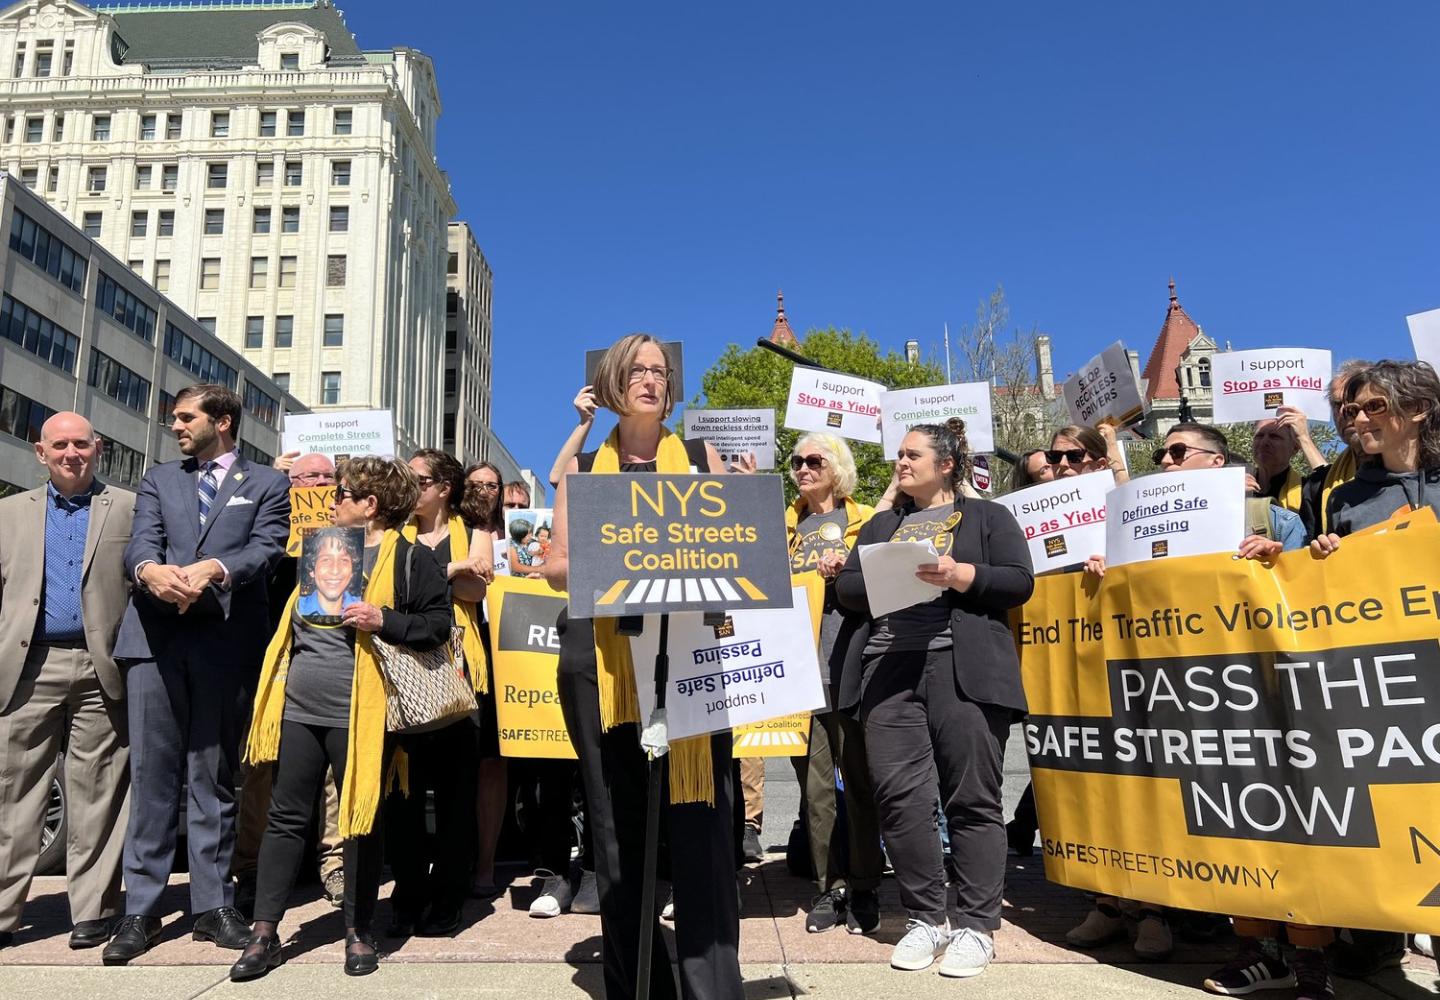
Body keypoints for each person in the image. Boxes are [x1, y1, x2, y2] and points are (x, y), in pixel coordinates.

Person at [543, 333, 743, 1000]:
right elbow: (554, 569)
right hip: (601, 665)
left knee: (702, 822)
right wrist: (635, 556)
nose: (651, 380)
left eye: (660, 371)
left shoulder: (700, 457)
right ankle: (640, 985)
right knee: (618, 830)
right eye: (637, 371)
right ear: (612, 383)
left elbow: (733, 547)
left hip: (690, 656)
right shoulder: (583, 472)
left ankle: (710, 983)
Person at [229, 457, 453, 981]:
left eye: (343, 493)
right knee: (286, 818)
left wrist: (385, 620)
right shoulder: (317, 549)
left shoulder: (409, 560)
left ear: (369, 505)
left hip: (362, 713)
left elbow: (438, 625)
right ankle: (264, 932)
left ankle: (358, 930)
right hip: (299, 707)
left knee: (359, 821)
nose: (332, 501)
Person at [833, 419, 1034, 978]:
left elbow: (1019, 581)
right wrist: (884, 576)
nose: (900, 463)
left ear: (945, 464)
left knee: (971, 798)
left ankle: (976, 925)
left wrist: (959, 573)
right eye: (898, 454)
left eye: (911, 454)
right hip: (888, 670)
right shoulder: (881, 525)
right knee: (899, 798)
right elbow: (847, 589)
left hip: (961, 668)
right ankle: (926, 918)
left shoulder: (989, 517)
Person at [105, 384, 290, 965]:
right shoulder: (160, 479)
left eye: (186, 417)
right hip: (155, 638)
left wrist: (212, 569)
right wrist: (150, 572)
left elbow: (267, 548)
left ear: (224, 420)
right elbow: (142, 542)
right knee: (152, 774)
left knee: (213, 774)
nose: (177, 426)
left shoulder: (268, 483)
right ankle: (140, 909)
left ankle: (213, 904)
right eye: (175, 419)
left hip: (226, 643)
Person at [0, 413, 135, 952]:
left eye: (81, 443)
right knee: (12, 793)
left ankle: (93, 911)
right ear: (41, 453)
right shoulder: (8, 513)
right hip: (26, 667)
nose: (71, 453)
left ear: (97, 449)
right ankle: (5, 912)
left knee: (97, 792)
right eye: (61, 445)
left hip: (101, 665)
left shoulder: (127, 506)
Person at [234, 453, 347, 914]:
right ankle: (251, 865)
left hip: (323, 658)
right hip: (266, 657)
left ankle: (334, 861)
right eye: (308, 476)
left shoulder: (344, 536)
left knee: (328, 774)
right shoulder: (266, 520)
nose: (318, 483)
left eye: (326, 477)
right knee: (259, 764)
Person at [384, 449, 489, 937]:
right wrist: (446, 570)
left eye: (418, 480)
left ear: (444, 487)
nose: (409, 487)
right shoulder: (394, 531)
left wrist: (427, 573)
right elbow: (388, 593)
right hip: (401, 675)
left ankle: (448, 895)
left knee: (454, 793)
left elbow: (478, 587)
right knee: (403, 792)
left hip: (457, 675)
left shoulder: (475, 531)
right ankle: (408, 893)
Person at [783, 432, 885, 935]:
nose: (803, 468)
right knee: (816, 792)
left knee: (861, 786)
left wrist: (850, 569)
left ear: (838, 467)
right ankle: (829, 886)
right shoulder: (783, 527)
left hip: (852, 670)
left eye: (814, 460)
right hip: (796, 676)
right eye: (797, 461)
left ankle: (866, 884)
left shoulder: (866, 521)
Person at [460, 461, 510, 897]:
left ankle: (488, 862)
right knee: (467, 760)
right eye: (476, 484)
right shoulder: (460, 530)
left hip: (514, 650)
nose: (485, 491)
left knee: (495, 762)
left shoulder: (522, 530)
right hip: (468, 647)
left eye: (492, 484)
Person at [1297, 362, 1367, 539]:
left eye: (1353, 400)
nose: (1345, 411)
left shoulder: (1416, 473)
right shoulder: (1318, 488)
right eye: (1337, 404)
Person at [297, 528, 365, 619]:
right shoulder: (297, 608)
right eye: (326, 560)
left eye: (344, 560)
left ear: (352, 571)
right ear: (312, 570)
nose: (335, 570)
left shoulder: (364, 608)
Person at [1251, 415, 1306, 513]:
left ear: (1295, 448)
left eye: (1274, 436)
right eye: (1259, 436)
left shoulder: (1306, 492)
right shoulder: (1237, 486)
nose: (1264, 442)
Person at [1046, 423, 1130, 485]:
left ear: (1100, 465)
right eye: (1055, 456)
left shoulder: (1110, 502)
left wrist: (1118, 467)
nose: (1062, 463)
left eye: (1074, 456)